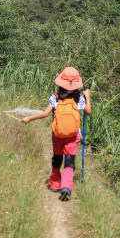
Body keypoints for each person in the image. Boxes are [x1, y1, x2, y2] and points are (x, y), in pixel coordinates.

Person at [21, 66, 91, 201]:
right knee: (69, 161)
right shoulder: (78, 99)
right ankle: (66, 187)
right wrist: (87, 96)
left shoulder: (56, 98)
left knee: (57, 158)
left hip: (57, 135)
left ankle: (54, 184)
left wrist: (29, 118)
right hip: (73, 136)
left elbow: (45, 113)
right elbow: (88, 111)